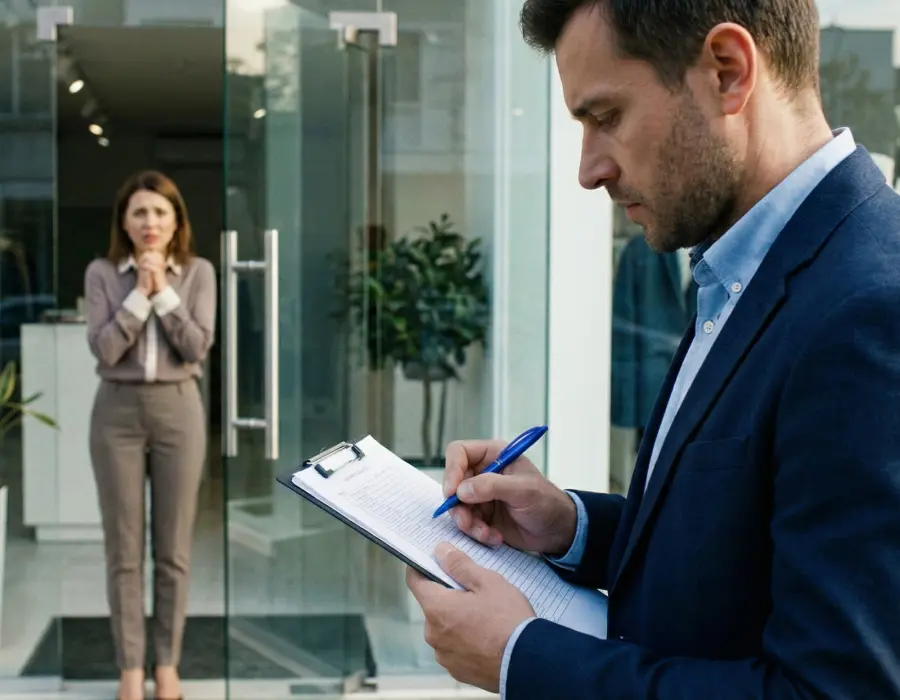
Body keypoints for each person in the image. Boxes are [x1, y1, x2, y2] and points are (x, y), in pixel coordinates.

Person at [405, 0, 900, 697]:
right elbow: (743, 552)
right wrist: (571, 527)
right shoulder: (748, 268)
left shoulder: (868, 310)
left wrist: (521, 656)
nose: (588, 170)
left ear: (728, 72)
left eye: (605, 117)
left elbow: (829, 691)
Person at [84, 170, 216, 700]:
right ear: (124, 220)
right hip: (115, 412)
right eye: (139, 212)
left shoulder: (198, 272)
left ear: (176, 220)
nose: (150, 222)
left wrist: (162, 290)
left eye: (160, 212)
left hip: (179, 410)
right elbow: (105, 350)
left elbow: (196, 345)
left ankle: (167, 665)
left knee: (173, 550)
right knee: (124, 550)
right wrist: (137, 292)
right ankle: (130, 670)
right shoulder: (101, 273)